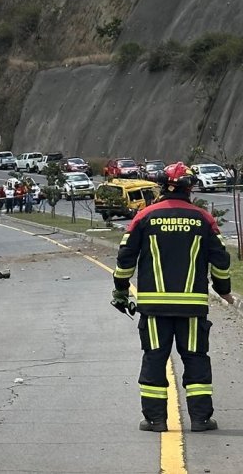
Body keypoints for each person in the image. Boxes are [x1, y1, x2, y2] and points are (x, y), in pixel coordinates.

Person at [114, 162, 234, 432]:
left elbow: (125, 258)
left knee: (155, 358)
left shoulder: (144, 217)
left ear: (161, 186)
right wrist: (224, 290)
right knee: (195, 358)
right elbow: (221, 260)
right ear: (189, 188)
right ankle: (201, 419)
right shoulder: (203, 219)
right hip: (192, 306)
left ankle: (156, 420)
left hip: (154, 307)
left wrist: (121, 290)